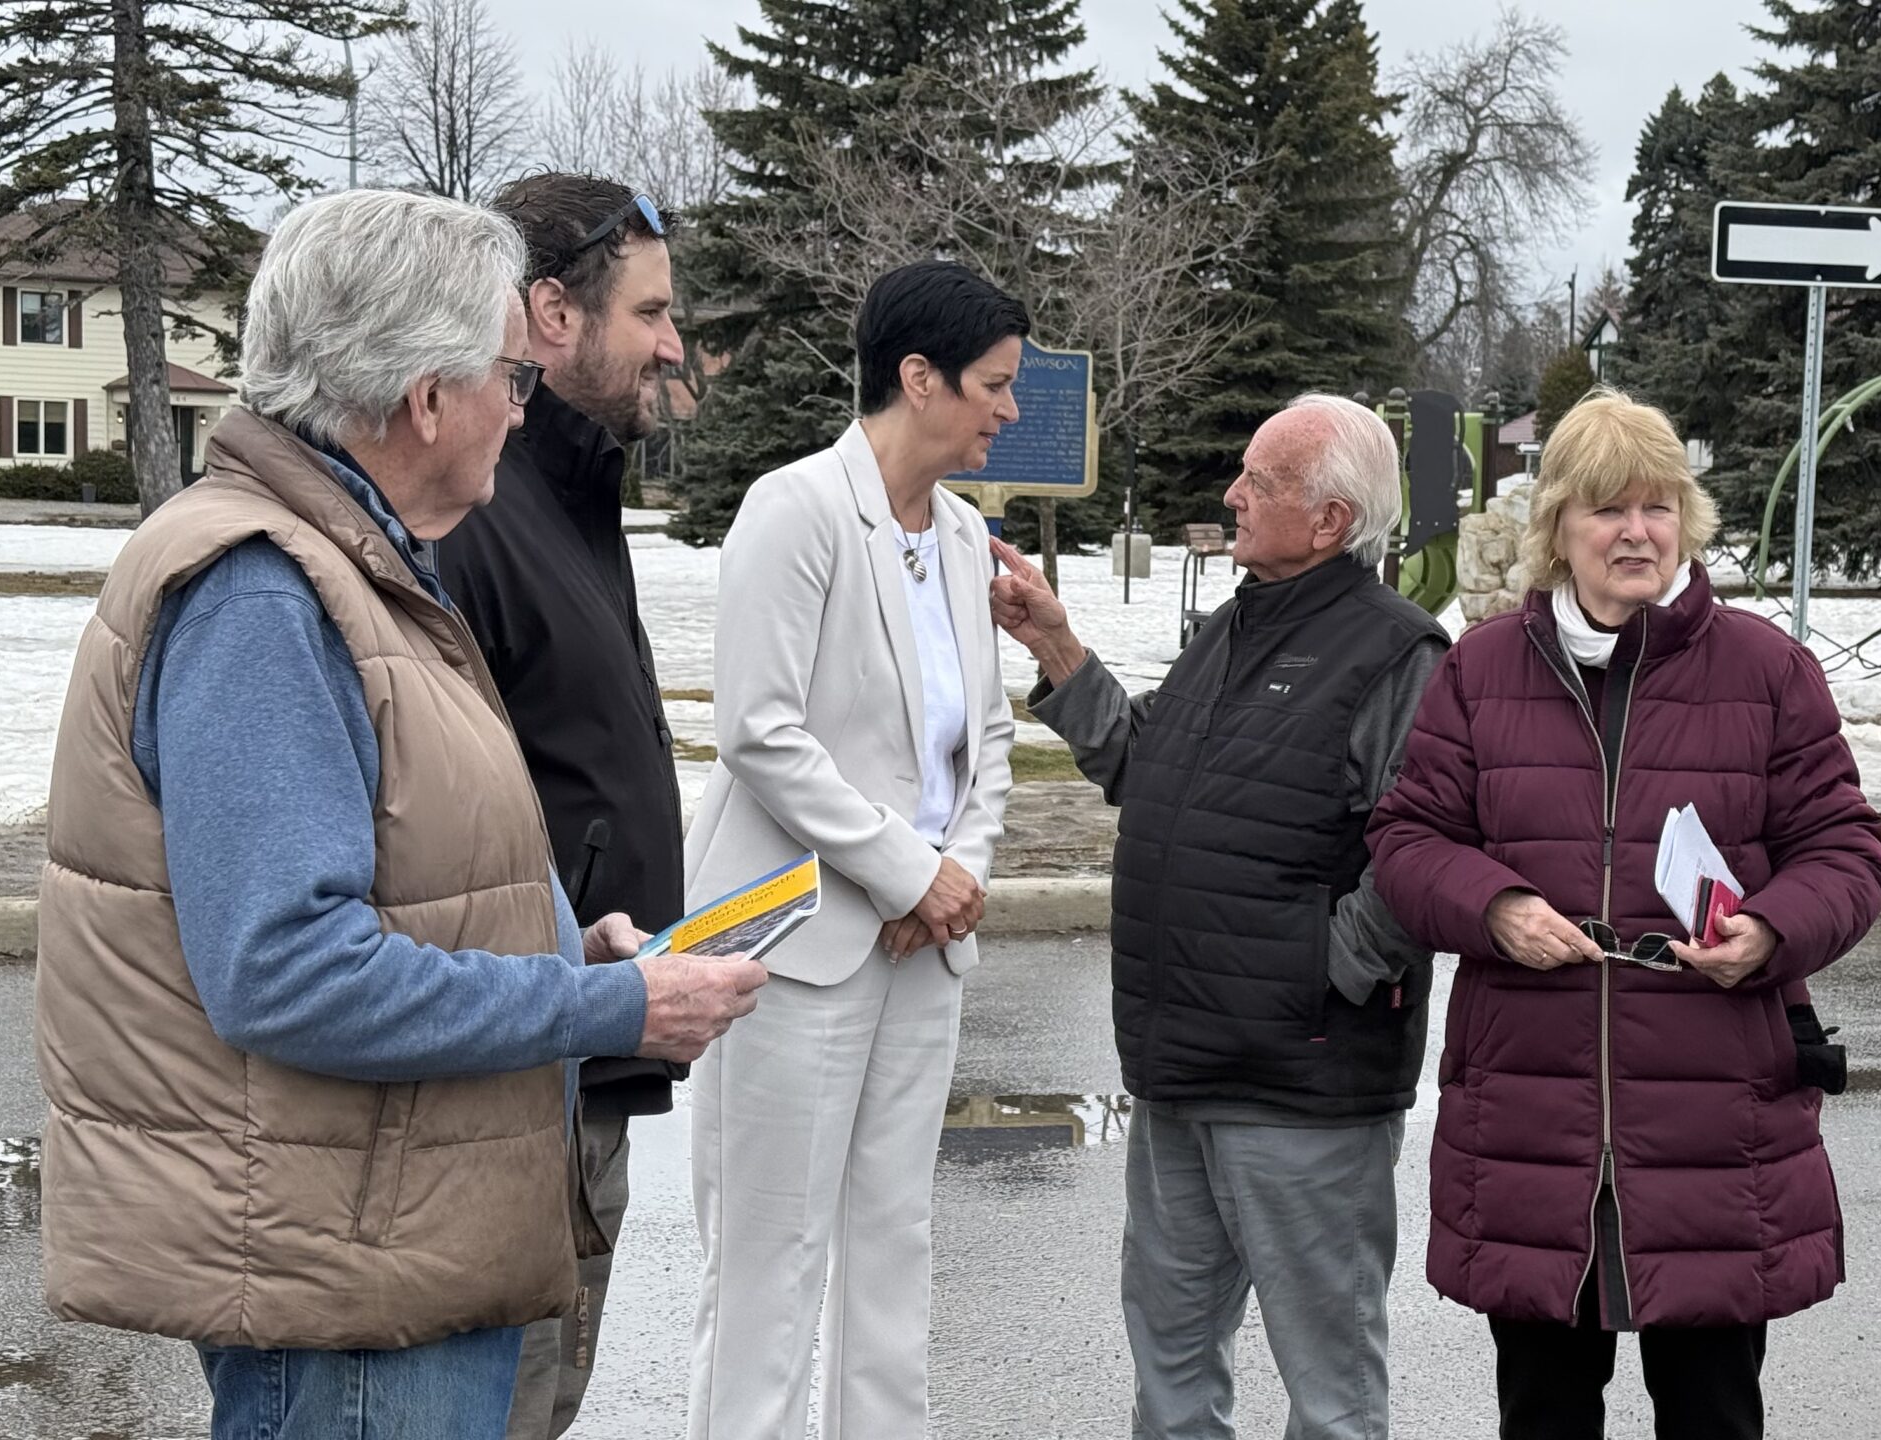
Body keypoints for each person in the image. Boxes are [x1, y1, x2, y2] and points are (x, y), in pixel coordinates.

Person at [34, 188, 765, 1440]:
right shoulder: (263, 594)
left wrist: (566, 956)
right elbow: (289, 972)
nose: (521, 408)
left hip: (381, 1237)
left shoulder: (354, 563)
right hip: (349, 1283)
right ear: (427, 397)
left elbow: (399, 877)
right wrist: (609, 1009)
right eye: (510, 378)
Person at [1365, 390, 1881, 1440]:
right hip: (1533, 1126)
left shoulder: (1767, 671)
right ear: (1558, 525)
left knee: (1712, 1417)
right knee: (1543, 1416)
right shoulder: (1480, 669)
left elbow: (1847, 853)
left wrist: (1771, 931)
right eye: (1608, 509)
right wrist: (1496, 907)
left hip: (1714, 1130)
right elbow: (1406, 841)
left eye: (1658, 507)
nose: (1637, 532)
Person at [987, 393, 1448, 1440]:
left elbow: (1425, 847)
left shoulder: (1397, 654)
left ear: (1330, 521)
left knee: (1330, 1395)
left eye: (1260, 481)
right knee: (1172, 1371)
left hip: (1303, 1086)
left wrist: (1325, 966)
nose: (1232, 495)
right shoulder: (1234, 627)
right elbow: (1141, 763)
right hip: (1179, 1071)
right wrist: (1056, 644)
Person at [682, 260, 1020, 1439]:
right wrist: (908, 871)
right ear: (918, 379)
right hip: (790, 945)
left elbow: (987, 737)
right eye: (992, 384)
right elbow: (759, 731)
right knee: (767, 1264)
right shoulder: (795, 509)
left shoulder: (967, 536)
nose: (1007, 409)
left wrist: (957, 880)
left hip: (921, 952)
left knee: (893, 1243)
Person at [433, 172, 692, 1440]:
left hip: (583, 1046)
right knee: (504, 1408)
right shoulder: (476, 515)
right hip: (515, 1084)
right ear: (550, 315)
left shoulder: (575, 493)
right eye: (650, 312)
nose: (673, 345)